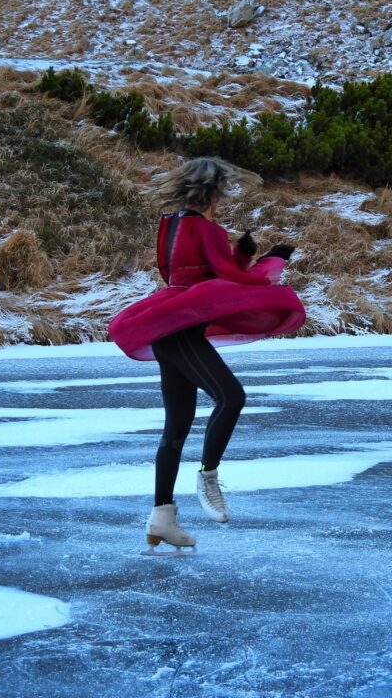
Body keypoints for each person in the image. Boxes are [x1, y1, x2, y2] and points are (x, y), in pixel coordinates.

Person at [108, 157, 306, 555]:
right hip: (180, 332)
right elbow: (231, 279)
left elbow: (191, 275)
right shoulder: (206, 227)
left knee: (176, 428)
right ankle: (208, 475)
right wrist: (273, 260)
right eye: (222, 194)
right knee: (231, 397)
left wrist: (242, 255)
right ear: (213, 193)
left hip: (168, 328)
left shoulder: (170, 226)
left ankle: (162, 517)